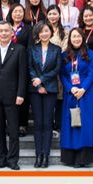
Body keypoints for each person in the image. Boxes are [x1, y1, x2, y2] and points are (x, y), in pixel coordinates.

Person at [0, 21, 28, 170]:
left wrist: (21, 94)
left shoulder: (19, 49)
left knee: (13, 130)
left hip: (13, 96)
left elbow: (23, 74)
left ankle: (12, 160)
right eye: (1, 31)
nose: (4, 33)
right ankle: (1, 158)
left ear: (12, 33)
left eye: (6, 31)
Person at [59, 28, 93, 168]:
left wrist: (83, 88)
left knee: (85, 124)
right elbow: (62, 75)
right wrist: (71, 88)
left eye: (78, 36)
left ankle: (83, 158)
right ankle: (71, 157)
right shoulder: (64, 55)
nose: (76, 39)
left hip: (86, 93)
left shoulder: (90, 53)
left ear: (83, 38)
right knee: (71, 123)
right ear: (70, 39)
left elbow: (92, 73)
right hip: (71, 93)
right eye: (73, 36)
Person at [28, 22, 62, 168]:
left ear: (51, 32)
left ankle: (45, 155)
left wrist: (42, 80)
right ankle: (38, 155)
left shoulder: (57, 49)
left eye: (46, 31)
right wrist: (38, 85)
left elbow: (57, 69)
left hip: (50, 89)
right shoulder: (32, 49)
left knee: (47, 123)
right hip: (35, 89)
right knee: (38, 123)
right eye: (41, 31)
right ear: (37, 33)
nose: (44, 34)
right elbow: (30, 67)